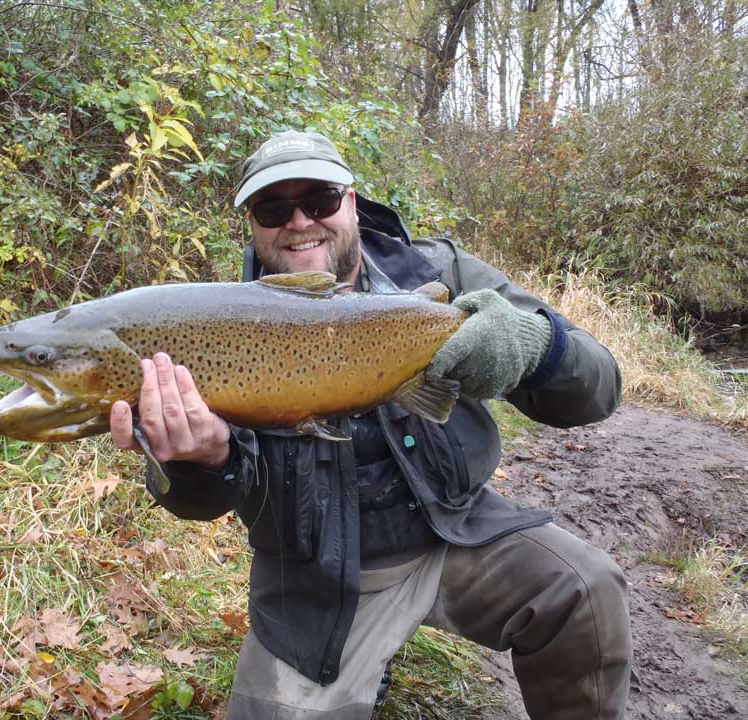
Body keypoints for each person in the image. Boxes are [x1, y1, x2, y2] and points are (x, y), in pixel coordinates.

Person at [109, 130, 631, 719]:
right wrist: (202, 462)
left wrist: (537, 344)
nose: (301, 221)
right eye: (274, 209)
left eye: (322, 199)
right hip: (317, 584)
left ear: (352, 202)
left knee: (586, 590)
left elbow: (601, 387)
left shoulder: (440, 274)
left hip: (456, 533)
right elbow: (201, 501)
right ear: (252, 224)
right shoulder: (215, 327)